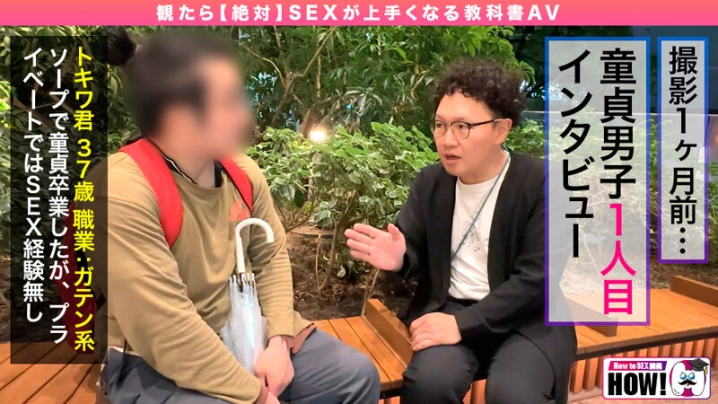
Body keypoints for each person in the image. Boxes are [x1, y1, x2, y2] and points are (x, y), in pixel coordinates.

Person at [89, 28, 380, 404]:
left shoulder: (241, 172)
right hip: (154, 359)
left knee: (355, 377)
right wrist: (256, 396)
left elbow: (270, 257)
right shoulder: (121, 189)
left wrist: (278, 339)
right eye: (229, 102)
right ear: (177, 115)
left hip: (244, 329)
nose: (246, 115)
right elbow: (164, 328)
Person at [345, 59, 576, 404]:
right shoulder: (431, 182)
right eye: (440, 125)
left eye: (463, 127)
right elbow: (412, 247)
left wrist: (463, 324)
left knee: (514, 394)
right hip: (450, 309)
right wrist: (400, 257)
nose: (447, 140)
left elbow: (536, 279)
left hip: (530, 318)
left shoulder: (544, 183)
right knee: (428, 385)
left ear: (501, 130)